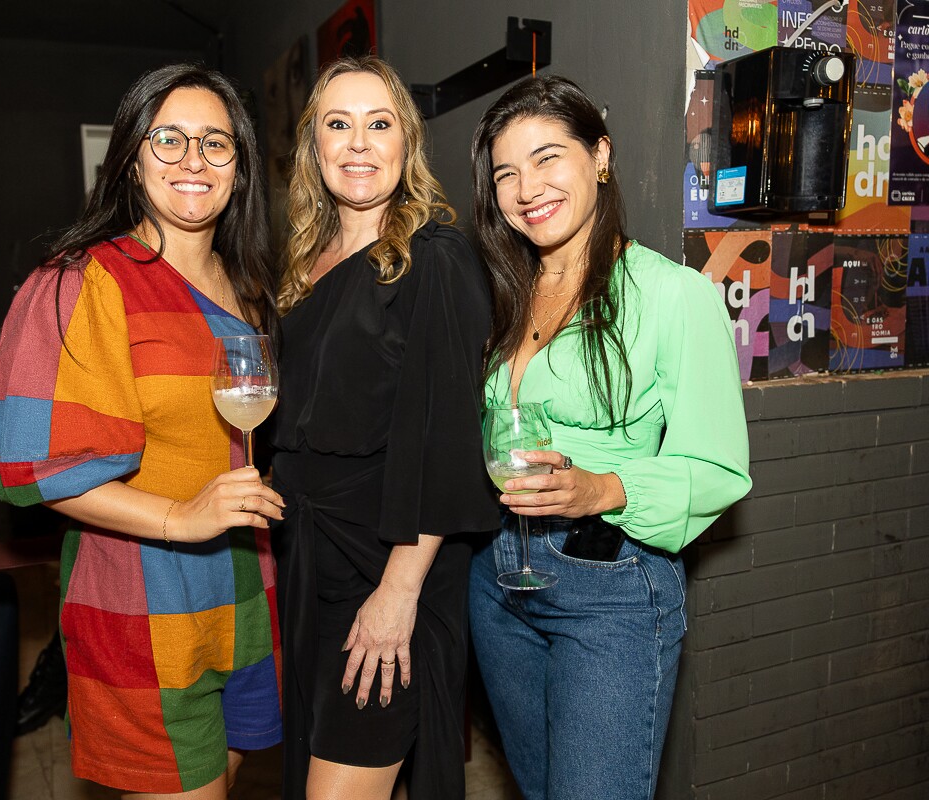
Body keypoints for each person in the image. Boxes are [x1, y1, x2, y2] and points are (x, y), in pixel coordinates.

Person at [0, 63, 284, 798]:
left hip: (248, 589)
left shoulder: (251, 289)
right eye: (168, 140)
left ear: (241, 167)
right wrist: (180, 514)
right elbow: (29, 464)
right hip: (143, 603)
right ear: (132, 159)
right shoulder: (84, 281)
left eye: (216, 143)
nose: (193, 161)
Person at [467, 75, 752, 800]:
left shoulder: (671, 294)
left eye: (547, 158)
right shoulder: (502, 292)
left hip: (611, 587)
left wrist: (602, 487)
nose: (527, 187)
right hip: (498, 578)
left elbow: (717, 466)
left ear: (600, 155)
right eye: (506, 173)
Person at [269, 56, 500, 800]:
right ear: (314, 145)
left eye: (380, 124)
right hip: (309, 560)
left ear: (407, 145)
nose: (359, 143)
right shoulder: (300, 266)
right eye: (339, 124)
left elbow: (449, 441)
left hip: (390, 561)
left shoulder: (435, 258)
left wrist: (399, 592)